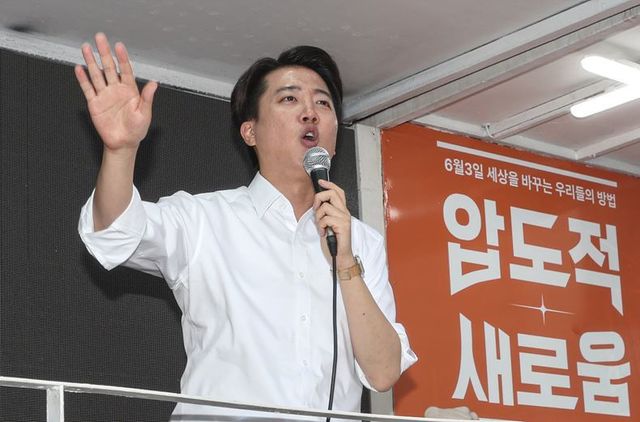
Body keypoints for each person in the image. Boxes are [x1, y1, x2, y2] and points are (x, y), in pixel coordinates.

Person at [76, 33, 417, 421]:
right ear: (250, 132)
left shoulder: (362, 242)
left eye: (322, 103)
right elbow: (114, 233)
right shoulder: (205, 219)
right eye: (289, 99)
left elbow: (383, 372)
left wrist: (345, 263)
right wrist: (120, 151)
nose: (310, 112)